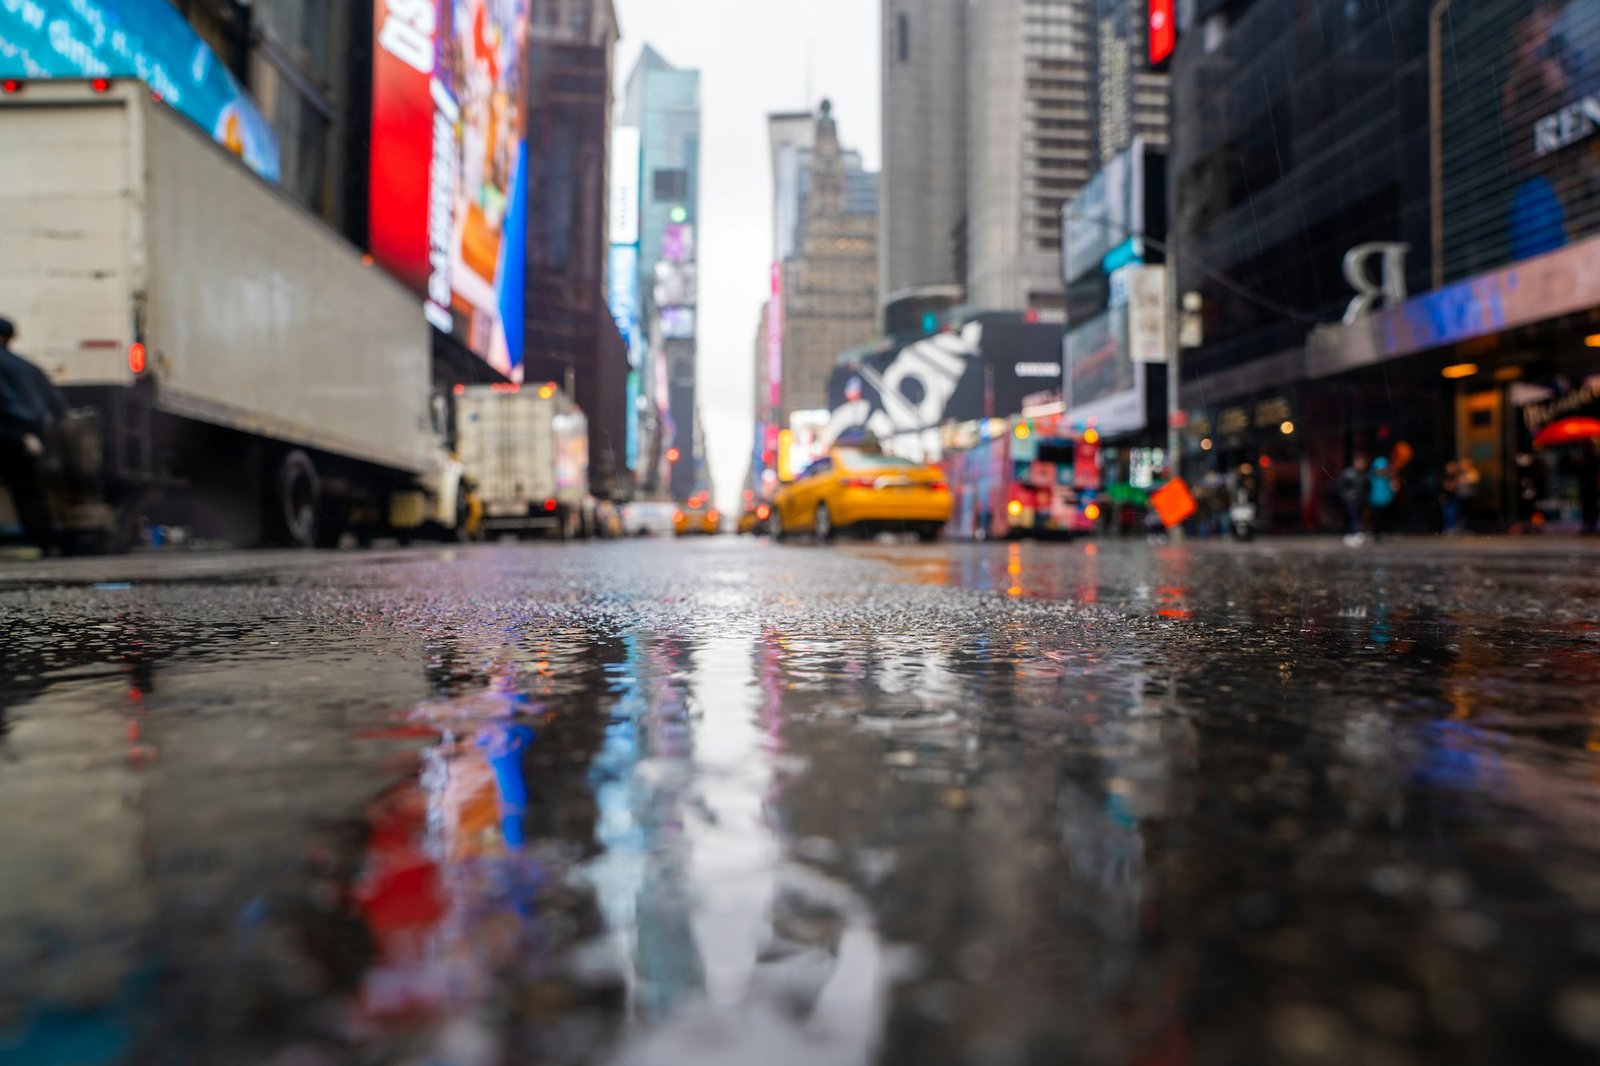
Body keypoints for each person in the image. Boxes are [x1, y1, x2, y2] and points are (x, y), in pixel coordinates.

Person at [0, 317, 67, 553]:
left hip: (5, 429)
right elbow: (58, 405)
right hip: (25, 437)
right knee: (28, 491)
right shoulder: (29, 368)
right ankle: (46, 543)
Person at [1338, 455, 1369, 546]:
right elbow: (1341, 486)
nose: (1360, 465)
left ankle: (1354, 534)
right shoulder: (1348, 473)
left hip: (1360, 501)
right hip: (1351, 501)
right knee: (1353, 517)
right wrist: (1346, 496)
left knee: (1357, 517)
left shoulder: (1363, 475)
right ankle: (1356, 534)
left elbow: (1366, 487)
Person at [1368, 456, 1397, 542]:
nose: (1381, 471)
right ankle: (1377, 534)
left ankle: (1385, 531)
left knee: (1385, 518)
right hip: (1375, 501)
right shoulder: (1372, 478)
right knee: (1377, 518)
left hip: (1386, 501)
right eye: (1379, 470)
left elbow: (1392, 489)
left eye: (1383, 469)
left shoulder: (1388, 479)